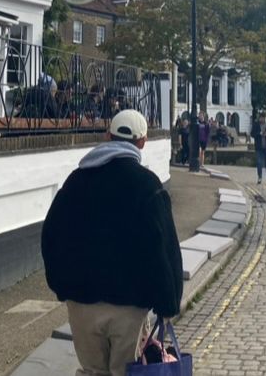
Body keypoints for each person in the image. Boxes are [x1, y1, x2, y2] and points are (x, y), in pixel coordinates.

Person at [41, 110, 184, 376]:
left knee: (93, 371)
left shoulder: (76, 181)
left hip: (81, 303)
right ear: (142, 142)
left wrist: (61, 286)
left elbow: (51, 236)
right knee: (126, 372)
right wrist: (168, 302)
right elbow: (163, 248)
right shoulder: (147, 185)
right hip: (129, 306)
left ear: (108, 136)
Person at [251, 111, 266, 185]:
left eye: (265, 118)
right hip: (259, 147)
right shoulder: (256, 125)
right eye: (262, 118)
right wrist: (259, 134)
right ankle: (260, 177)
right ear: (260, 118)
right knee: (259, 163)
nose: (263, 119)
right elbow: (252, 134)